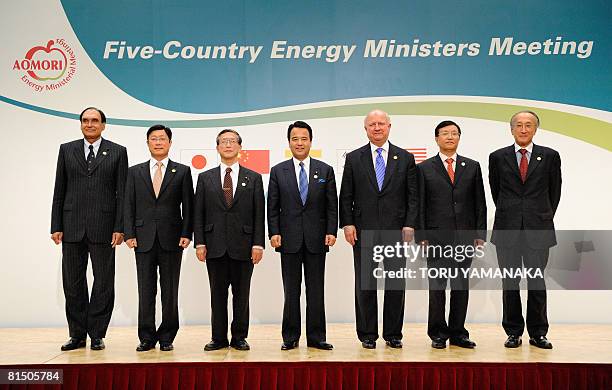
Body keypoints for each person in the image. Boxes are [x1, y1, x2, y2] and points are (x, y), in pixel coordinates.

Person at [339, 109, 418, 349]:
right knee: (365, 283)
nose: (377, 128)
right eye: (372, 124)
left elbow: (413, 196)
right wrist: (348, 223)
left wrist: (410, 224)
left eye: (381, 124)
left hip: (397, 231)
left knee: (395, 283)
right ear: (365, 129)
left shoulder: (405, 158)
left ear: (389, 127)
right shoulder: (354, 158)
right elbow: (346, 196)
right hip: (364, 231)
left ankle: (393, 334)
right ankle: (367, 334)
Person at [51, 107, 128, 351]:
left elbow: (122, 194)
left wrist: (120, 226)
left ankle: (97, 334)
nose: (90, 124)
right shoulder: (67, 149)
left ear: (104, 125)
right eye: (85, 120)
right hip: (71, 226)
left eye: (95, 121)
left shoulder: (117, 152)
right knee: (72, 283)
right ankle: (77, 335)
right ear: (80, 124)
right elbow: (59, 190)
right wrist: (56, 225)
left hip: (104, 227)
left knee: (103, 282)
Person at [489, 111, 561, 349]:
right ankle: (513, 332)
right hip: (507, 229)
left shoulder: (549, 156)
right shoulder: (497, 157)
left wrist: (540, 215)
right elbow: (496, 191)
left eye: (528, 125)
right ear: (511, 129)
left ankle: (538, 332)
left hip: (538, 229)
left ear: (535, 129)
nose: (523, 129)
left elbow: (554, 192)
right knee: (510, 283)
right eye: (518, 125)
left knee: (536, 282)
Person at [267, 121, 338, 351]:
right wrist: (274, 232)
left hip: (318, 239)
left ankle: (317, 337)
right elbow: (273, 205)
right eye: (295, 139)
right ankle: (290, 337)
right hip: (288, 239)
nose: (299, 143)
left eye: (304, 138)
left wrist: (331, 230)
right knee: (291, 291)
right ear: (289, 142)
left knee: (316, 290)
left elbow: (331, 205)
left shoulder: (324, 170)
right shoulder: (278, 171)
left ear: (311, 141)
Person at [416, 120, 486, 349]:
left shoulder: (472, 166)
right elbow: (420, 205)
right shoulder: (424, 168)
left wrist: (480, 234)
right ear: (436, 138)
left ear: (459, 138)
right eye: (445, 133)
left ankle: (458, 333)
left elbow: (480, 203)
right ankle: (437, 333)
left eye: (454, 133)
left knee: (460, 286)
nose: (449, 137)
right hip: (435, 238)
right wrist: (422, 236)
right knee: (437, 288)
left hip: (464, 237)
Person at [194, 129, 265, 351]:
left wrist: (258, 243)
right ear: (217, 148)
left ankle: (239, 337)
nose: (228, 145)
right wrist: (200, 242)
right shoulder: (205, 178)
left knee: (242, 295)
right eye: (223, 142)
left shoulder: (253, 178)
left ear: (240, 147)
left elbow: (258, 213)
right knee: (217, 294)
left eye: (232, 141)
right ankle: (218, 338)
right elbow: (199, 212)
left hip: (244, 246)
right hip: (214, 245)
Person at [124, 124, 193, 352]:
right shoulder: (134, 172)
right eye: (153, 139)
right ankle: (146, 337)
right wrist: (129, 233)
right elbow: (128, 205)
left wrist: (186, 233)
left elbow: (189, 207)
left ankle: (167, 336)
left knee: (170, 289)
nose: (158, 142)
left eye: (162, 138)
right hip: (142, 239)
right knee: (146, 289)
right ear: (147, 143)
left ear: (170, 143)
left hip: (173, 239)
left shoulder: (182, 171)